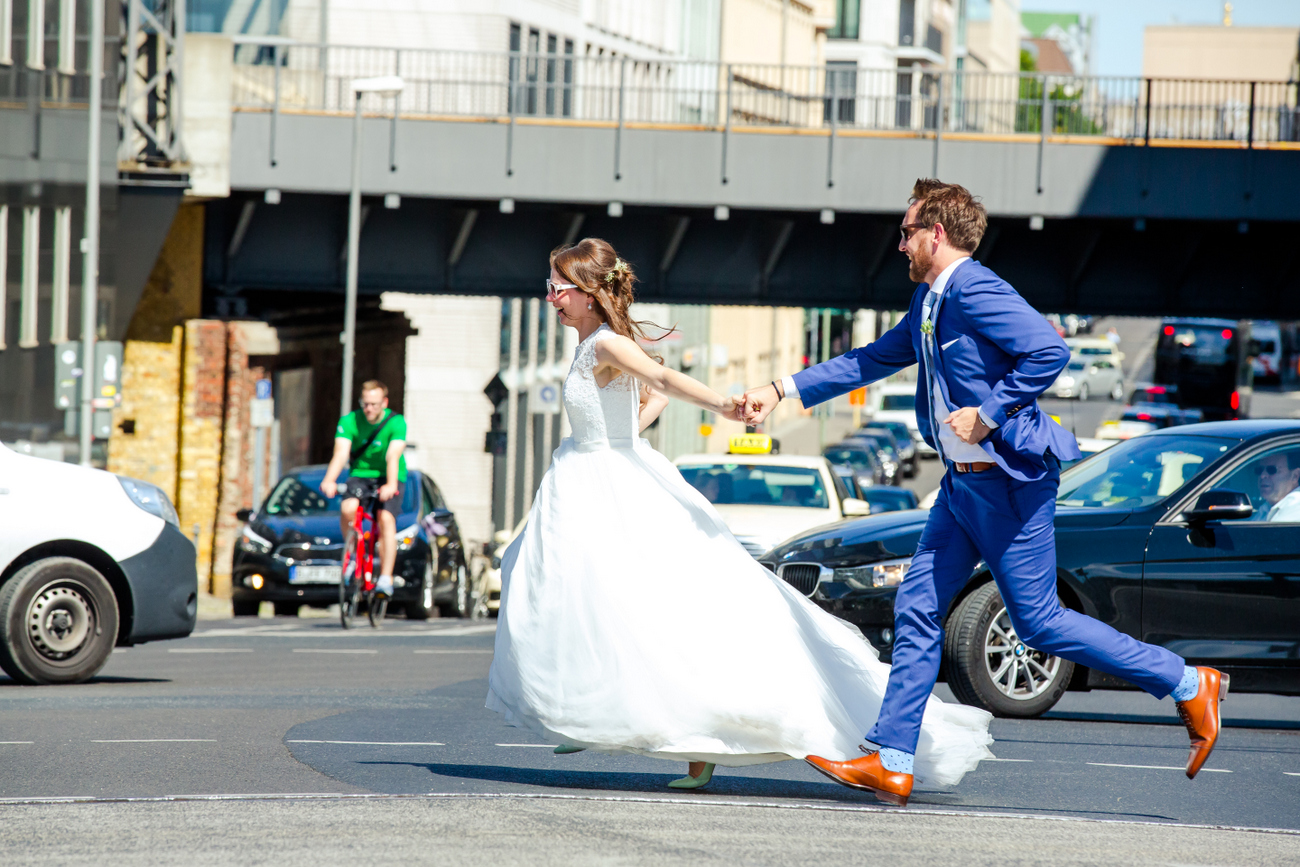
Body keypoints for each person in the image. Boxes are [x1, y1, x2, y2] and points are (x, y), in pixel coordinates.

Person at [741, 179, 1228, 806]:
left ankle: (1188, 683)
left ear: (935, 234)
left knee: (1040, 624)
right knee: (916, 609)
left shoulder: (974, 288)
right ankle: (891, 759)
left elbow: (1048, 350)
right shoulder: (929, 301)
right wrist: (781, 390)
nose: (900, 245)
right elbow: (871, 360)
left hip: (1008, 484)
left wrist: (989, 414)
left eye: (906, 232)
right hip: (960, 488)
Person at [486, 238, 995, 794]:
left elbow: (664, 382)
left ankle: (664, 730)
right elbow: (651, 392)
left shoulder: (607, 345)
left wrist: (723, 406)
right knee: (587, 598)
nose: (550, 297)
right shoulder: (598, 345)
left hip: (609, 480)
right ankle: (598, 711)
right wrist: (628, 424)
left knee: (627, 602)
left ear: (587, 294)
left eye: (557, 288)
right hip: (596, 473)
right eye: (549, 287)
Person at [320, 380, 407, 599]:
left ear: (384, 403)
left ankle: (385, 578)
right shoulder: (350, 421)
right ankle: (353, 556)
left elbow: (392, 455)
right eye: (365, 404)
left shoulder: (396, 422)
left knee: (385, 518)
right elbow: (340, 454)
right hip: (360, 475)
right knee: (348, 508)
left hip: (390, 475)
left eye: (374, 404)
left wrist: (391, 484)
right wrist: (329, 480)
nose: (369, 409)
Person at [1257, 451, 1300, 522]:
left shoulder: (1296, 510)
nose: (1262, 476)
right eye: (1259, 470)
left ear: (1295, 476)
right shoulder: (1265, 509)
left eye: (1271, 470)